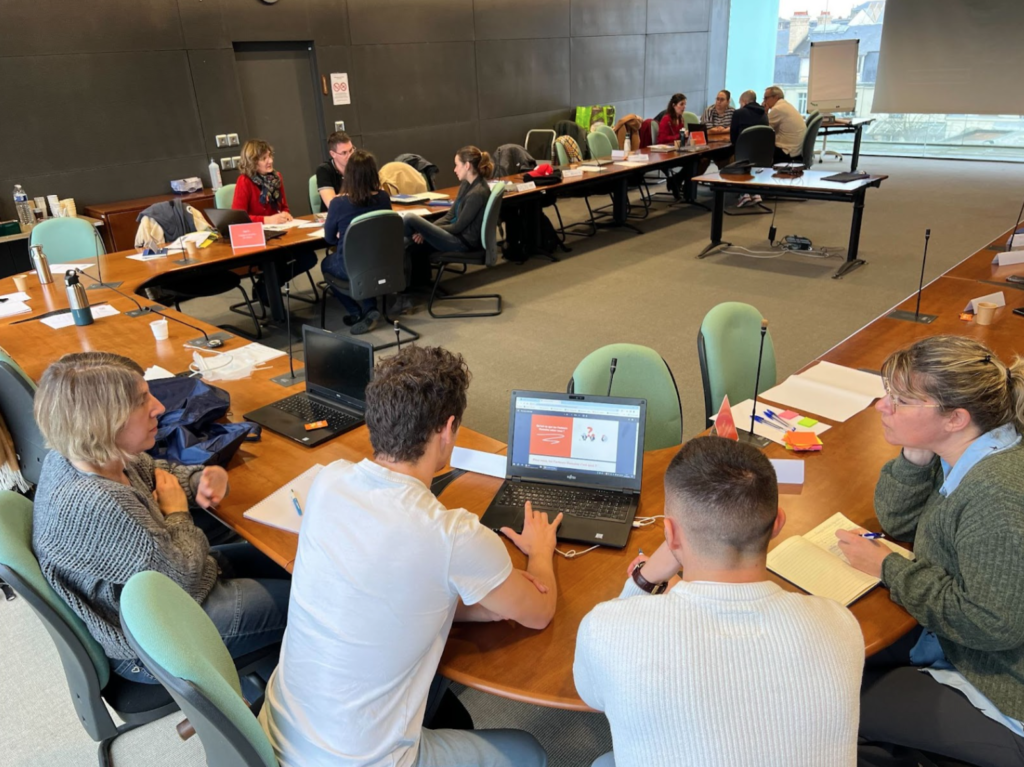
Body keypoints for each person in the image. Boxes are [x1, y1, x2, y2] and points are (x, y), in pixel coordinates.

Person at [260, 345, 557, 767]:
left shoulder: (328, 482)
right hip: (363, 762)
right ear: (448, 428)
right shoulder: (451, 534)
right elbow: (539, 611)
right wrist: (541, 553)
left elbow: (386, 590)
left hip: (277, 735)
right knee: (530, 752)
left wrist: (469, 605)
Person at [575, 436, 863, 767]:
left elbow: (593, 696)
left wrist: (646, 578)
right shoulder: (841, 625)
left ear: (670, 535)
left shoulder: (606, 629)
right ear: (778, 524)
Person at [31, 352, 290, 690]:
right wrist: (178, 512)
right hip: (153, 641)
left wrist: (198, 481)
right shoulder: (96, 502)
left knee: (295, 567)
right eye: (142, 401)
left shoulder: (90, 457)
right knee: (313, 602)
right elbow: (184, 581)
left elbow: (156, 472)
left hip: (171, 590)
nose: (159, 407)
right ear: (103, 420)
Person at [835, 336, 1024, 767]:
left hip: (1003, 689)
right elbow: (901, 522)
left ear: (955, 418)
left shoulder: (996, 491)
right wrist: (917, 453)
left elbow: (992, 625)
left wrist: (890, 568)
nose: (883, 406)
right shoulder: (972, 448)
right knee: (837, 659)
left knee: (828, 698)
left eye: (901, 400)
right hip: (961, 646)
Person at [233, 138, 317, 302]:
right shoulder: (244, 181)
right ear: (253, 161)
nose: (270, 161)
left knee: (309, 257)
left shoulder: (276, 177)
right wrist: (267, 220)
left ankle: (266, 285)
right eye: (264, 158)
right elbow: (238, 219)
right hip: (256, 238)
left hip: (280, 234)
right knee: (276, 260)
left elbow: (283, 206)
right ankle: (267, 289)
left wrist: (286, 214)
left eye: (270, 156)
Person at [321, 149, 392, 334]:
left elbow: (329, 238)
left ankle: (356, 312)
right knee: (363, 265)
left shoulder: (338, 203)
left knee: (326, 264)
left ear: (349, 175)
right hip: (380, 261)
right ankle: (370, 309)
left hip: (349, 265)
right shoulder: (383, 198)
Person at [403, 146, 493, 259]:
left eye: (457, 165)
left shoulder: (477, 193)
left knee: (410, 218)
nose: (454, 169)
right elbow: (450, 215)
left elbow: (457, 227)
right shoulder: (466, 184)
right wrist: (426, 231)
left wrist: (425, 233)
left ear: (467, 166)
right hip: (455, 235)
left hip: (462, 242)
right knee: (408, 240)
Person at [732, 89, 771, 208]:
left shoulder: (739, 113)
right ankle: (754, 192)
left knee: (731, 159)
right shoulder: (764, 114)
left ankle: (744, 193)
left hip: (743, 154)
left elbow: (733, 138)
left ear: (744, 102)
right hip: (762, 155)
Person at [762, 85, 806, 164]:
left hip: (787, 151)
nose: (764, 102)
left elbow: (765, 131)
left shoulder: (777, 109)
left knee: (758, 146)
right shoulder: (785, 105)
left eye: (766, 98)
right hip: (797, 149)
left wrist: (764, 112)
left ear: (776, 97)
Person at [315, 131, 355, 212]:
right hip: (334, 219)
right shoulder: (324, 170)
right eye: (344, 153)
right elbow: (333, 205)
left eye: (351, 150)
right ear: (333, 154)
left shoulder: (360, 166)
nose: (350, 156)